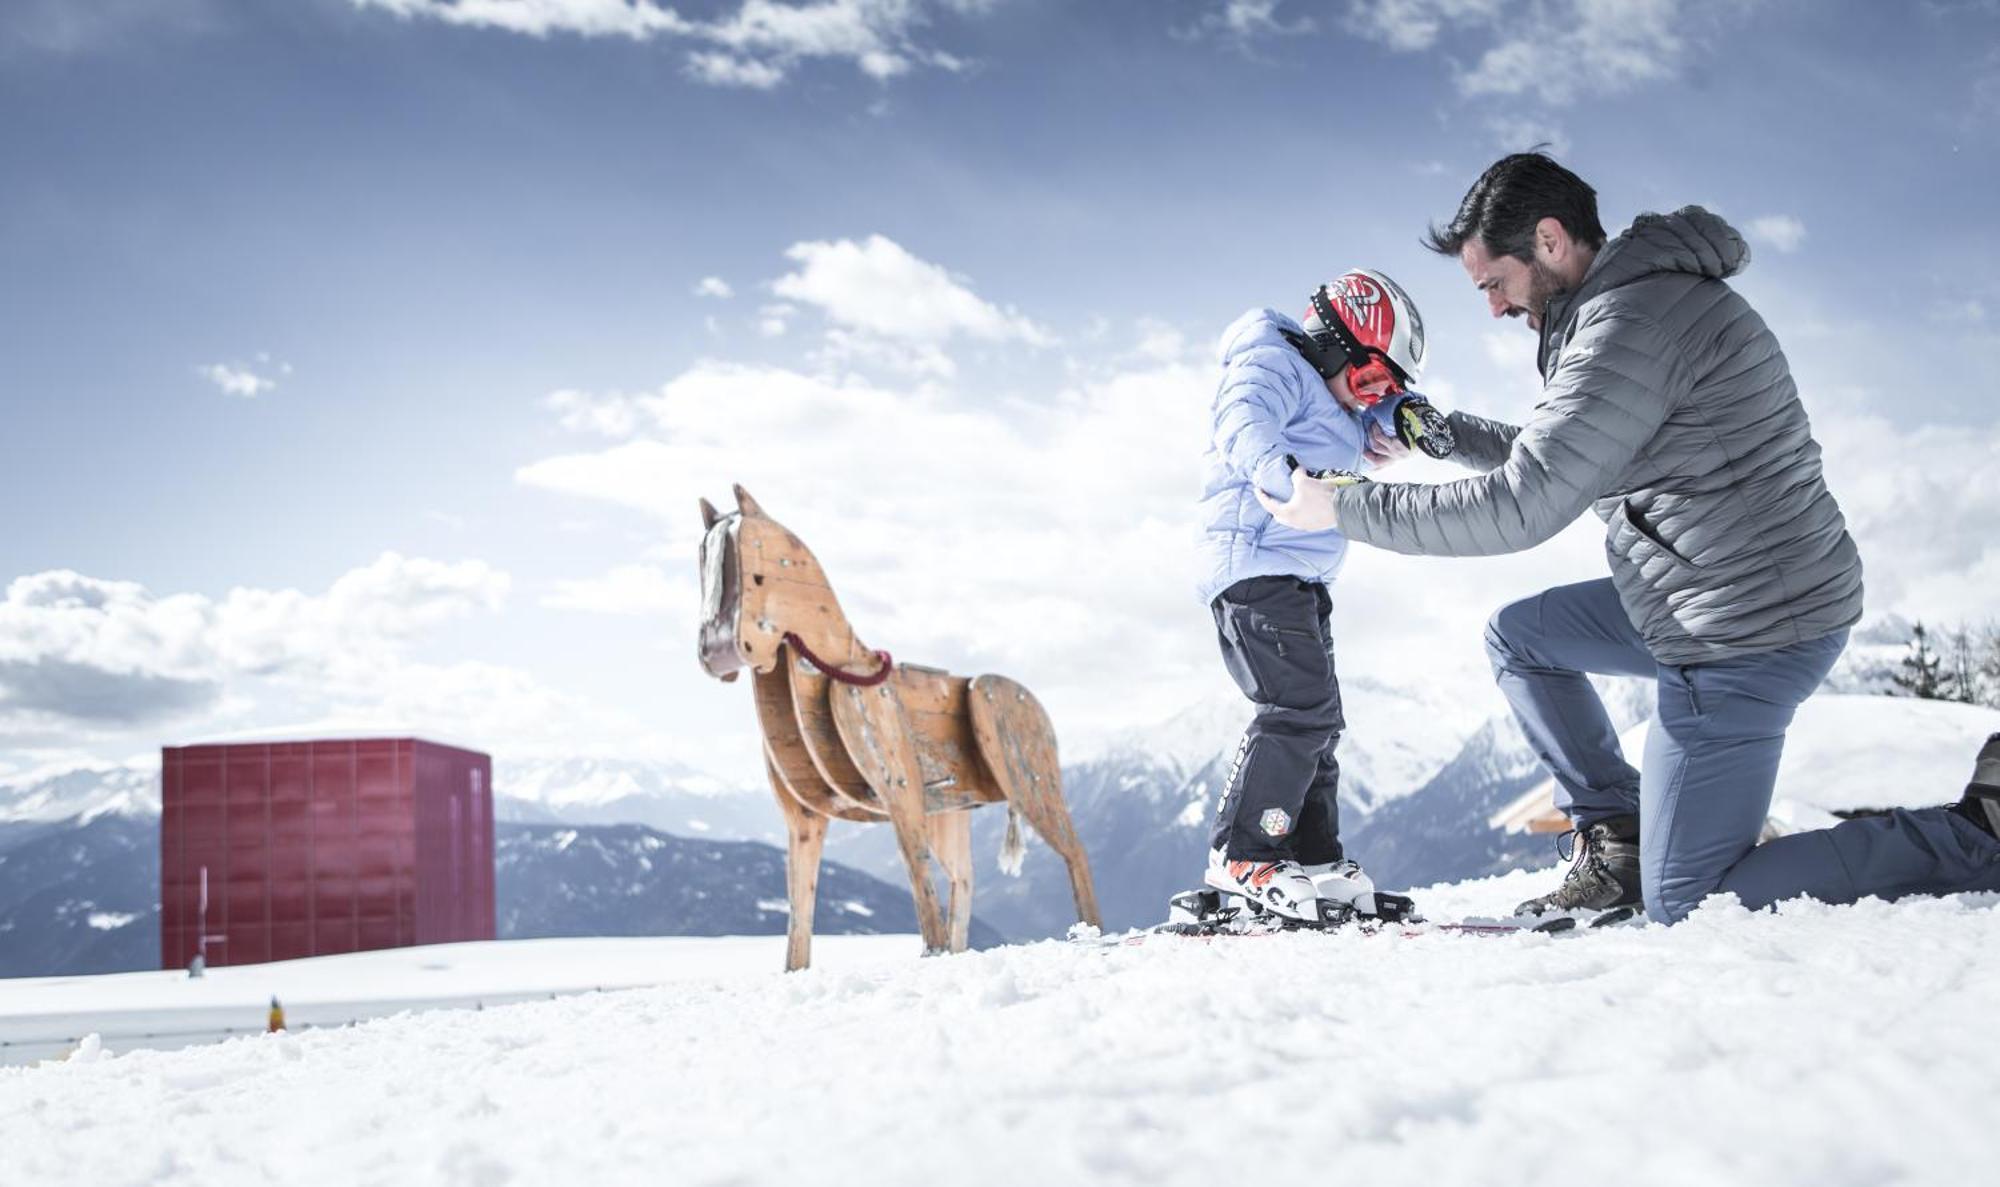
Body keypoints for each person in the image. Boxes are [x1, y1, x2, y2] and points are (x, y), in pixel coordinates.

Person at [1258, 152, 2000, 923]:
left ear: (1548, 241)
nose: (1493, 308)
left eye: (1492, 284)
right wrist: (1444, 436)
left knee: (1695, 899)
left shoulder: (1630, 326)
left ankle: (1974, 835)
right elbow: (1574, 455)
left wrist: (1345, 506)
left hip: (1747, 630)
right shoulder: (1633, 306)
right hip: (1707, 590)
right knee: (1521, 639)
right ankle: (1621, 841)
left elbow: (1526, 502)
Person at [1196, 269, 1453, 921]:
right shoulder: (1272, 361)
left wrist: (1402, 417)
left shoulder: (1335, 400)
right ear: (1334, 344)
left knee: (1321, 718)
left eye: (1386, 387)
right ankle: (1245, 851)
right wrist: (1283, 479)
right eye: (1371, 380)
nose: (1372, 396)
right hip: (1254, 560)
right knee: (1295, 708)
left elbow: (1367, 441)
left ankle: (1311, 854)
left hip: (1300, 574)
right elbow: (1241, 420)